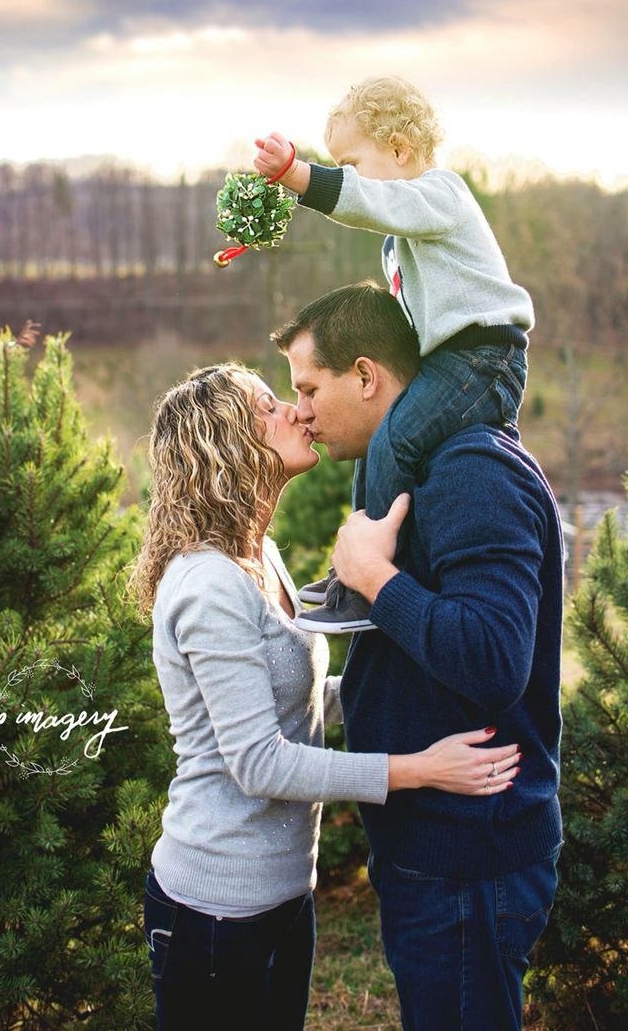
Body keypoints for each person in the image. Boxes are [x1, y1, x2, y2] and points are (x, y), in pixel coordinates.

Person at [128, 363, 521, 1031]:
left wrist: (425, 690)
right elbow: (261, 763)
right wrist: (420, 770)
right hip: (217, 910)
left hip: (284, 894)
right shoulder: (207, 586)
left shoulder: (259, 555)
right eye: (269, 406)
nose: (297, 411)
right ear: (228, 442)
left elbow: (299, 699)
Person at [273, 282, 563, 1031]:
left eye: (309, 387)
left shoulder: (472, 472)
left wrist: (376, 578)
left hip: (470, 856)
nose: (299, 409)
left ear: (365, 376)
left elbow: (495, 660)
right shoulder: (419, 470)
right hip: (434, 846)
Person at [254, 74, 534, 632]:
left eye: (352, 163)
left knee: (396, 438)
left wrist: (299, 176)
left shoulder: (442, 195)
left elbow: (370, 201)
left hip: (484, 356)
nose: (350, 177)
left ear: (401, 150)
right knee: (379, 445)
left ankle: (370, 579)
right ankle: (355, 566)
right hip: (451, 361)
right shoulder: (401, 243)